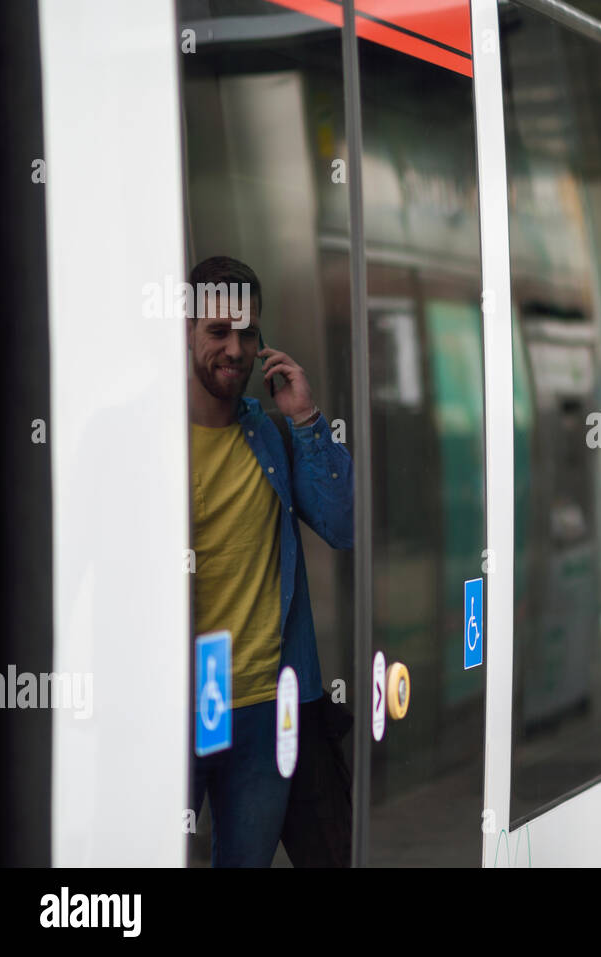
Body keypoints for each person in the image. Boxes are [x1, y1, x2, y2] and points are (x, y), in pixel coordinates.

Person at [186, 255, 353, 866]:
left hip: (263, 710)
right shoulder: (150, 441)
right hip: (174, 708)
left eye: (247, 333)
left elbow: (344, 524)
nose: (234, 348)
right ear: (184, 330)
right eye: (217, 332)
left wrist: (307, 420)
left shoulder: (272, 435)